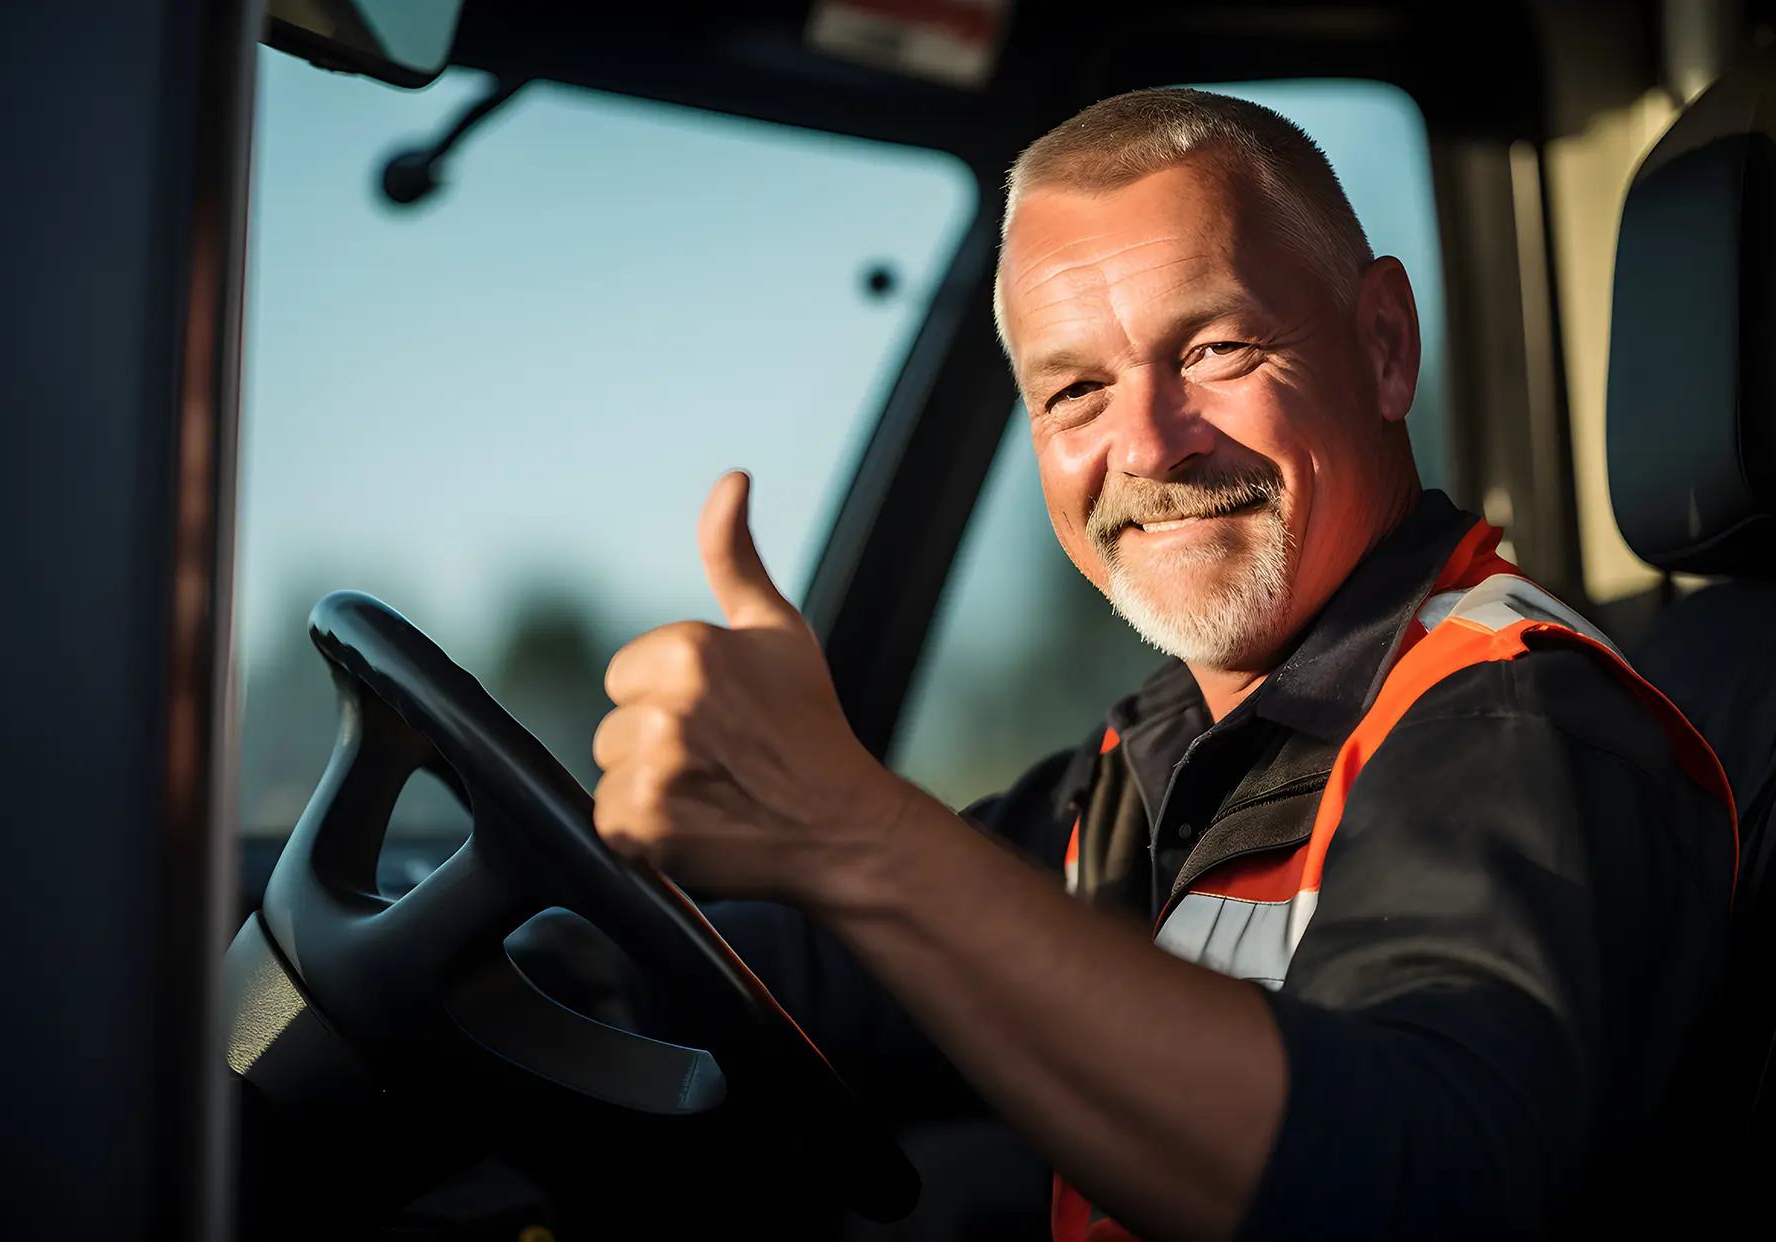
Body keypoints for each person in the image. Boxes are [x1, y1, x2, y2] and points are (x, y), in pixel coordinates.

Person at [588, 88, 1737, 1239]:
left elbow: (1424, 1174)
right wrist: (542, 965)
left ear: (1384, 348)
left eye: (1215, 347)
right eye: (1075, 389)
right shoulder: (1159, 760)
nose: (1145, 442)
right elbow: (839, 969)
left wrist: (851, 832)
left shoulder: (1505, 716)